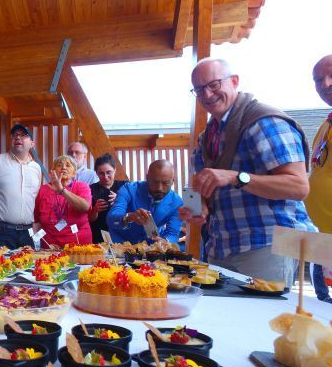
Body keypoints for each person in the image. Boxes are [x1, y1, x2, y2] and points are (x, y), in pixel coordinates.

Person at [179, 58, 316, 287]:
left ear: (234, 81)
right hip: (221, 246)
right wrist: (199, 207)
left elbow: (299, 187)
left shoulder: (264, 122)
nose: (207, 94)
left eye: (214, 84)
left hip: (267, 245)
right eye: (199, 89)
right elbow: (203, 188)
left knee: (262, 311)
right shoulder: (207, 137)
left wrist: (236, 177)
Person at [0, 124, 42, 249]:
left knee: (28, 262)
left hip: (27, 232)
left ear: (32, 144)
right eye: (15, 135)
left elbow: (33, 197)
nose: (18, 138)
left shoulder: (36, 168)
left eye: (23, 135)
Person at [107, 160, 183, 244]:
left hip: (151, 247)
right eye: (155, 182)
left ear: (173, 181)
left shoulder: (177, 203)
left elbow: (173, 234)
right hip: (119, 245)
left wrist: (165, 241)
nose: (159, 188)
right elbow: (111, 220)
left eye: (165, 183)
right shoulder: (128, 189)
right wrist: (129, 217)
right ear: (147, 178)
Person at [308, 55, 332, 303]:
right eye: (318, 80)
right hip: (322, 233)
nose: (325, 84)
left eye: (331, 75)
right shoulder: (326, 123)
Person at [33, 155, 92, 248]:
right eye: (59, 165)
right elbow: (37, 220)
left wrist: (61, 189)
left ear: (74, 173)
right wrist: (35, 242)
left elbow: (85, 207)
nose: (63, 167)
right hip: (50, 246)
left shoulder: (82, 187)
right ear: (53, 171)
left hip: (78, 246)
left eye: (68, 165)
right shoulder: (43, 190)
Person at [88, 153, 127, 243]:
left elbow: (133, 211)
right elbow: (89, 219)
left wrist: (120, 200)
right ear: (96, 173)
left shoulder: (125, 186)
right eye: (101, 173)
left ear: (115, 170)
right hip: (99, 234)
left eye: (109, 172)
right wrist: (95, 210)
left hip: (122, 233)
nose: (105, 177)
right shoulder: (90, 189)